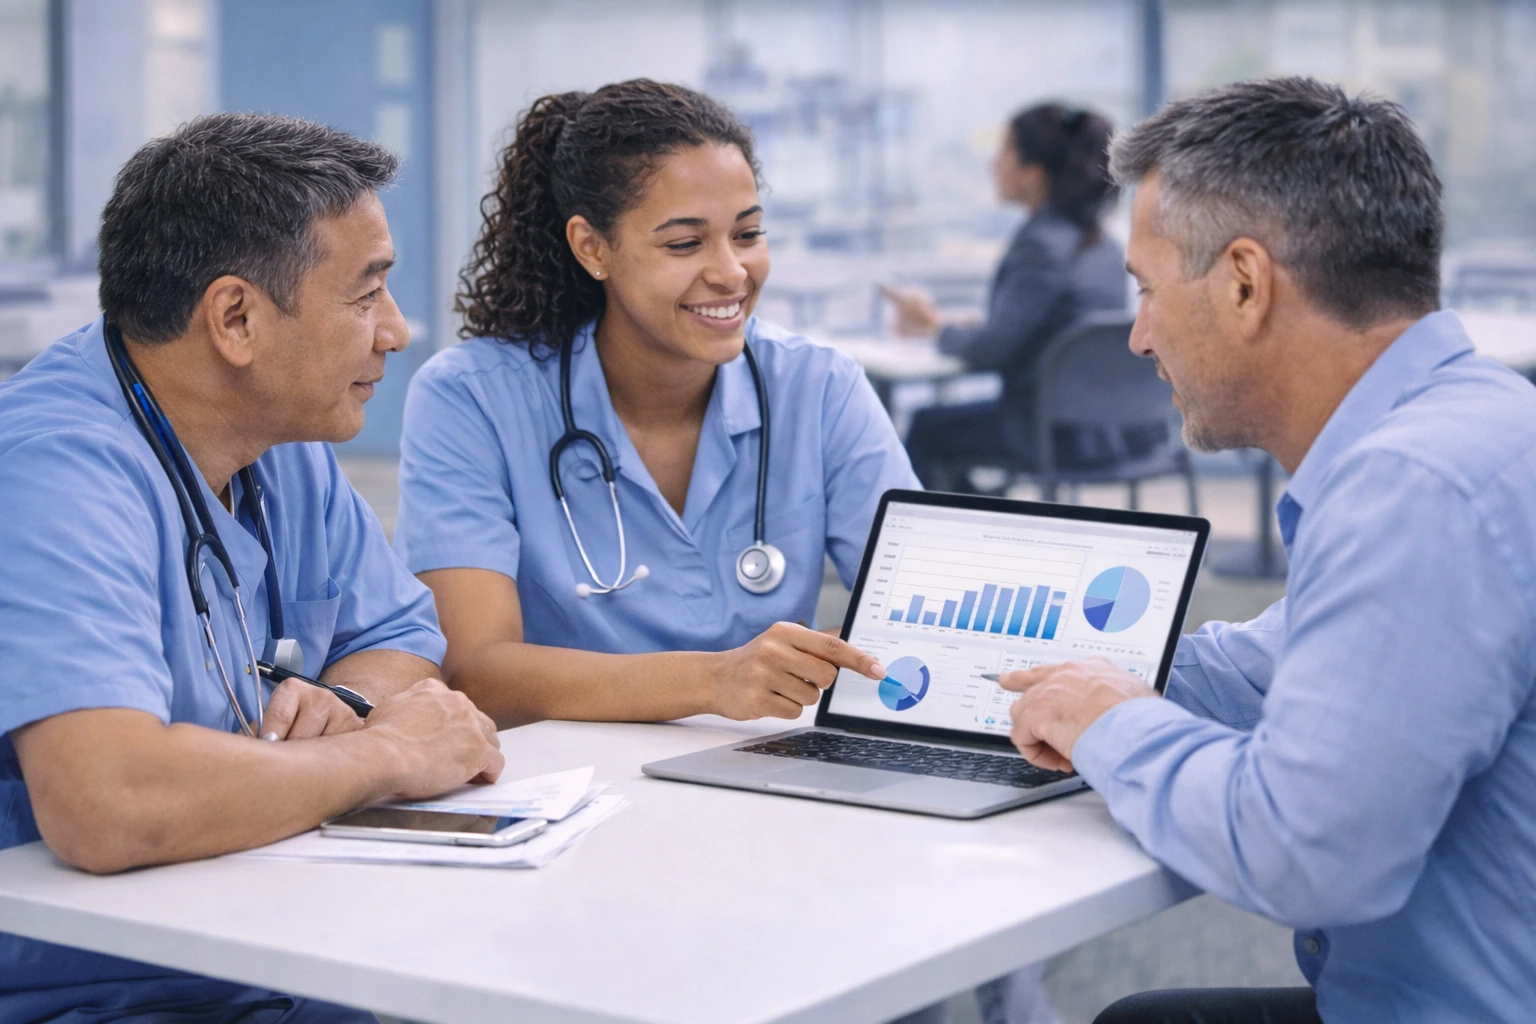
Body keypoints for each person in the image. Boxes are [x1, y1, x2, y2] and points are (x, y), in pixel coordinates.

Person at [1000, 77, 1536, 1024]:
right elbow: (1296, 668)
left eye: (1147, 291)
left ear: (1245, 283)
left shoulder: (1414, 488)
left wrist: (1109, 724)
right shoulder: (1483, 424)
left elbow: (1304, 854)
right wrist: (1079, 670)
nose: (1136, 336)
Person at [0, 113, 504, 1022]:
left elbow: (395, 635)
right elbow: (106, 802)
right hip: (97, 983)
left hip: (274, 934)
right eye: (366, 295)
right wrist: (384, 751)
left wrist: (346, 703)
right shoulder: (53, 469)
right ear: (236, 318)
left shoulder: (272, 437)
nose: (395, 330)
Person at [393, 79, 914, 728]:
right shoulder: (471, 398)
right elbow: (477, 670)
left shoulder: (820, 388)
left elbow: (920, 611)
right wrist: (714, 679)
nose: (731, 273)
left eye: (747, 234)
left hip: (767, 775)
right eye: (684, 244)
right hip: (566, 782)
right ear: (593, 248)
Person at [884, 103, 1127, 492]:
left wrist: (931, 327)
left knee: (927, 429)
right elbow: (1061, 327)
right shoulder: (1101, 243)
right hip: (1117, 428)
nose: (993, 166)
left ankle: (956, 539)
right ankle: (981, 523)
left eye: (1004, 153)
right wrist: (980, 327)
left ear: (1033, 174)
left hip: (1052, 432)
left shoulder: (1041, 244)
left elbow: (991, 351)